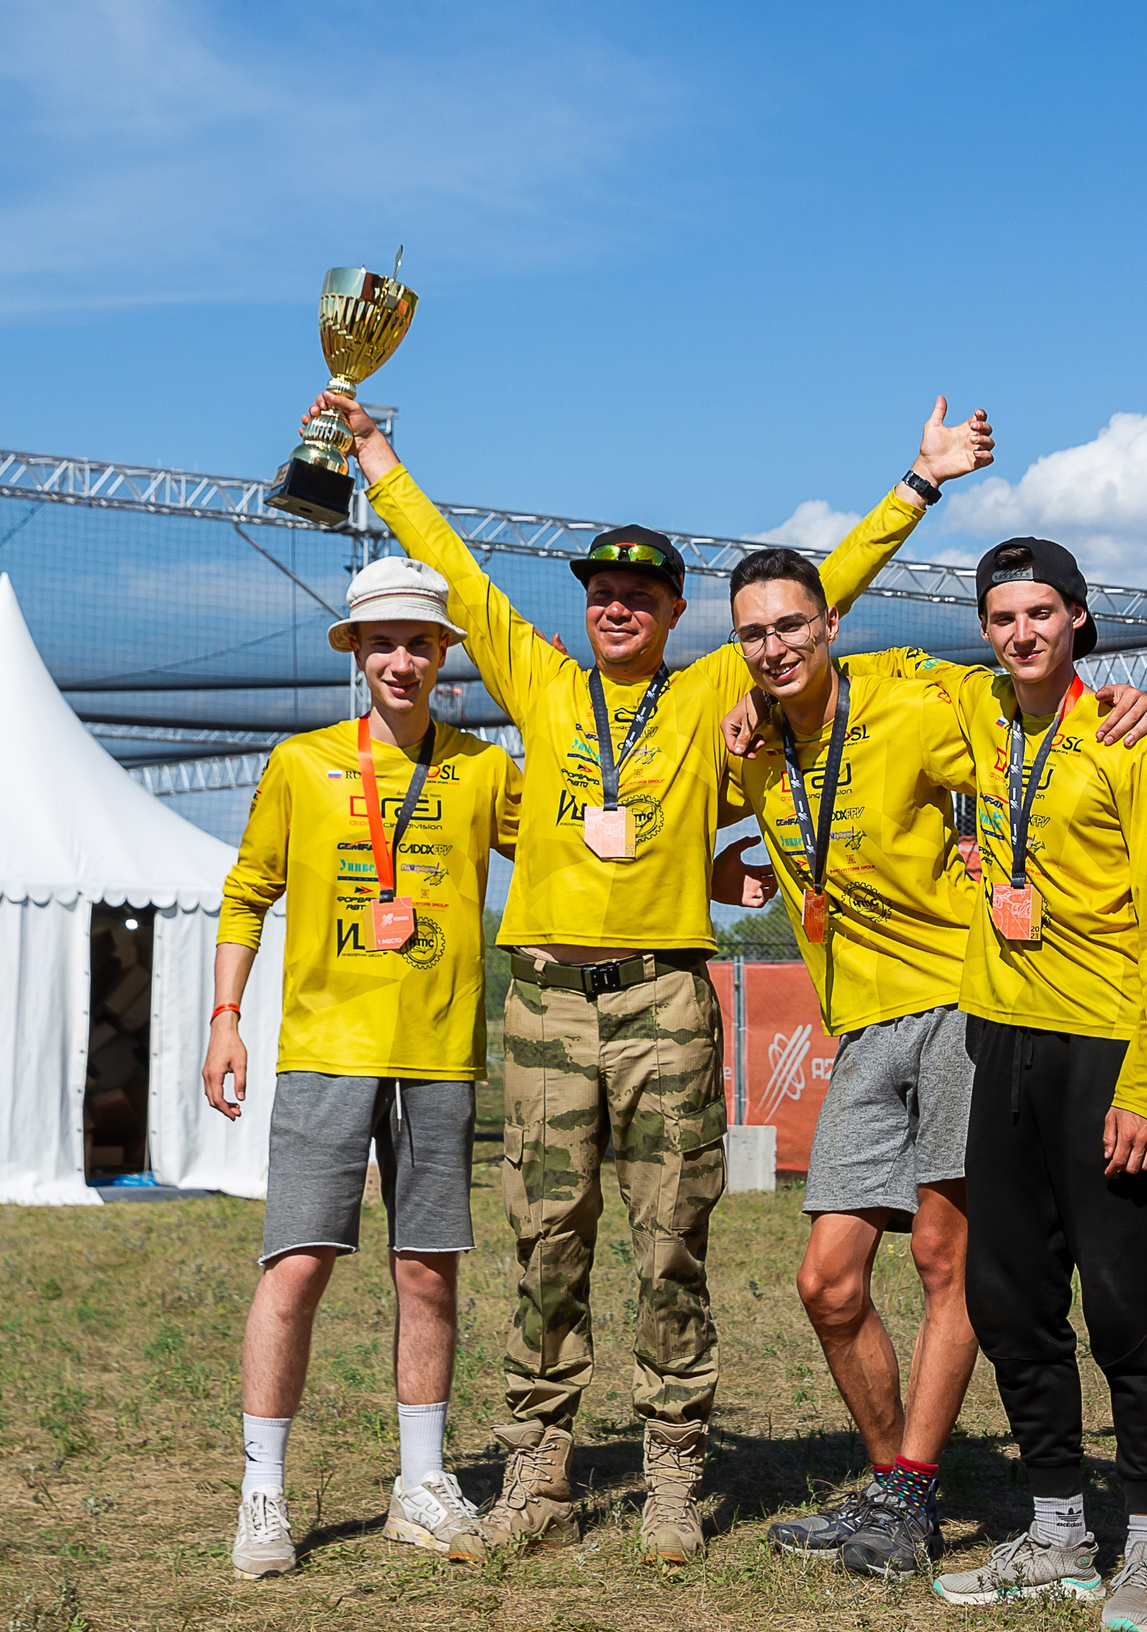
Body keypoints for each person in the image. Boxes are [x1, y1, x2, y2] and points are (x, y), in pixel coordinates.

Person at [306, 386, 989, 1561]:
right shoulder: (539, 679)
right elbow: (452, 568)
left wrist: (917, 485)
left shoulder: (715, 689)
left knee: (671, 1238)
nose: (614, 608)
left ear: (675, 613)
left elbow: (824, 591)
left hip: (666, 1000)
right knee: (545, 1241)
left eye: (638, 596)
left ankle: (674, 1472)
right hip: (545, 1006)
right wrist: (372, 454)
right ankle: (538, 1475)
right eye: (599, 594)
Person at [708, 549, 1147, 1583]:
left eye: (791, 625)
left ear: (830, 624)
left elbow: (1030, 734)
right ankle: (894, 1484)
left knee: (941, 1258)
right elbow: (664, 828)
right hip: (864, 1027)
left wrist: (1120, 703)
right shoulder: (753, 747)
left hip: (962, 1003)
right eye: (753, 634)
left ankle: (912, 1492)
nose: (774, 647)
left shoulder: (911, 706)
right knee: (827, 1281)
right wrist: (721, 856)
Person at [899, 536, 1147, 1632]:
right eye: (1001, 617)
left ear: (1078, 618)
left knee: (1124, 1307)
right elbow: (839, 673)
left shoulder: (1131, 740)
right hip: (1002, 1047)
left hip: (1107, 1056)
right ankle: (1058, 1533)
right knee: (1007, 1300)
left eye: (1041, 613)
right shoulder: (972, 711)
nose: (1021, 633)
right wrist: (754, 703)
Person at [205, 557, 521, 1579]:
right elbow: (247, 890)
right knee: (297, 1263)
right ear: (357, 654)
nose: (401, 659)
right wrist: (225, 1018)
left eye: (418, 642)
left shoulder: (482, 769)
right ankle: (262, 1492)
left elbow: (571, 852)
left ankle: (420, 1484)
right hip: (324, 1052)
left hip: (438, 1057)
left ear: (443, 657)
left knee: (428, 1268)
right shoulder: (301, 764)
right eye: (382, 642)